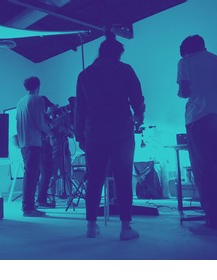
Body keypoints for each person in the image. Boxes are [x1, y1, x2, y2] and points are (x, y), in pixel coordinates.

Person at [75, 33, 145, 240]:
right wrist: (139, 115)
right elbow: (137, 98)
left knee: (94, 180)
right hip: (121, 131)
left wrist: (80, 135)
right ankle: (125, 228)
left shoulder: (85, 75)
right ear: (118, 54)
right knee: (123, 178)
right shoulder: (125, 70)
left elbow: (80, 108)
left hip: (94, 133)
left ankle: (91, 225)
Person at [177, 35, 217, 236]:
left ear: (186, 50)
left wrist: (189, 91)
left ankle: (212, 223)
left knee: (203, 172)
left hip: (198, 121)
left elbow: (184, 91)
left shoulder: (185, 62)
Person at [16, 76, 53, 217]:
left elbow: (19, 123)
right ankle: (28, 208)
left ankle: (27, 206)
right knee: (32, 176)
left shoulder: (20, 101)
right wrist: (50, 133)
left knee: (29, 175)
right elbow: (40, 123)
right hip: (33, 143)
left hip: (23, 144)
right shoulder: (38, 99)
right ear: (38, 86)